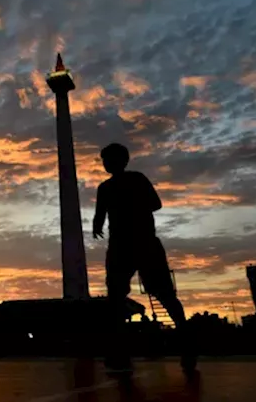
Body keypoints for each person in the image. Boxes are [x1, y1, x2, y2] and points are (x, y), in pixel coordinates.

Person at [93, 143, 195, 373]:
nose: (106, 164)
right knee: (117, 299)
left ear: (122, 160)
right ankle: (120, 352)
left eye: (109, 159)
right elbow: (100, 215)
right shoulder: (106, 187)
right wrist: (98, 223)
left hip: (141, 242)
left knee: (162, 295)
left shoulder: (134, 180)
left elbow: (155, 204)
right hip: (122, 246)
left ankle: (187, 344)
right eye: (104, 160)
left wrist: (125, 209)